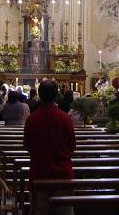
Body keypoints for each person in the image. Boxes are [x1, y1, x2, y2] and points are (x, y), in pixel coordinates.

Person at [24, 80, 76, 215]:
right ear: (56, 95)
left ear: (40, 95)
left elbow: (27, 146)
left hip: (39, 174)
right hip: (62, 176)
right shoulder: (65, 118)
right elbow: (71, 147)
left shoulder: (31, 119)